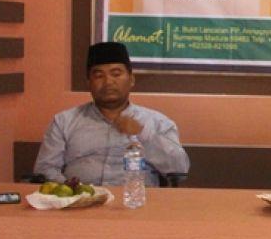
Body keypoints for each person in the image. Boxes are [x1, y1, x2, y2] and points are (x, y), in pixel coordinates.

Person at [34, 41, 189, 186]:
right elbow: (45, 169)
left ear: (131, 80)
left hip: (137, 200)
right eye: (99, 76)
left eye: (116, 74)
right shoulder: (64, 122)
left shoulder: (158, 123)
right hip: (80, 200)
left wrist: (143, 133)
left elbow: (179, 169)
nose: (108, 82)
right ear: (89, 83)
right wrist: (74, 191)